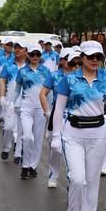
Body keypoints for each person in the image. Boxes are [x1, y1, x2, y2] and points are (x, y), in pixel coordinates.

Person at [50, 41, 106, 211]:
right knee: (78, 179)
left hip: (98, 135)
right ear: (82, 58)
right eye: (90, 57)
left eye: (98, 57)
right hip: (73, 134)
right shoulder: (69, 80)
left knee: (92, 181)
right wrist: (56, 135)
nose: (95, 60)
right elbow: (58, 108)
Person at [41, 48, 80, 188]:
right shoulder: (54, 76)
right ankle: (53, 174)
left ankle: (72, 178)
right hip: (57, 114)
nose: (73, 63)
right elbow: (43, 94)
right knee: (55, 148)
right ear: (62, 61)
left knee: (71, 149)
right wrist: (47, 112)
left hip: (75, 116)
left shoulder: (81, 77)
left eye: (76, 61)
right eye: (69, 60)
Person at [13, 43, 52, 179]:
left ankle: (32, 166)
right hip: (26, 107)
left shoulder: (46, 71)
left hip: (40, 109)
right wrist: (11, 103)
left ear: (40, 55)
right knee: (28, 137)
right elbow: (18, 89)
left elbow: (49, 91)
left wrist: (49, 108)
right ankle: (25, 165)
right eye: (33, 54)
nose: (35, 56)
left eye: (38, 54)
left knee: (37, 140)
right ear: (28, 54)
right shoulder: (22, 71)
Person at [0, 42, 27, 162]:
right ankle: (6, 147)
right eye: (16, 48)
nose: (17, 50)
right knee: (8, 127)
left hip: (26, 104)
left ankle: (18, 153)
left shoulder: (30, 67)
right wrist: (2, 97)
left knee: (23, 130)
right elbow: (2, 81)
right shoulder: (8, 65)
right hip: (11, 102)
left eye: (20, 48)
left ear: (26, 50)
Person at [0, 38, 15, 126]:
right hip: (0, 81)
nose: (10, 47)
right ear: (4, 45)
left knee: (8, 101)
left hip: (11, 82)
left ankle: (6, 117)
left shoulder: (15, 55)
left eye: (11, 45)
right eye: (8, 45)